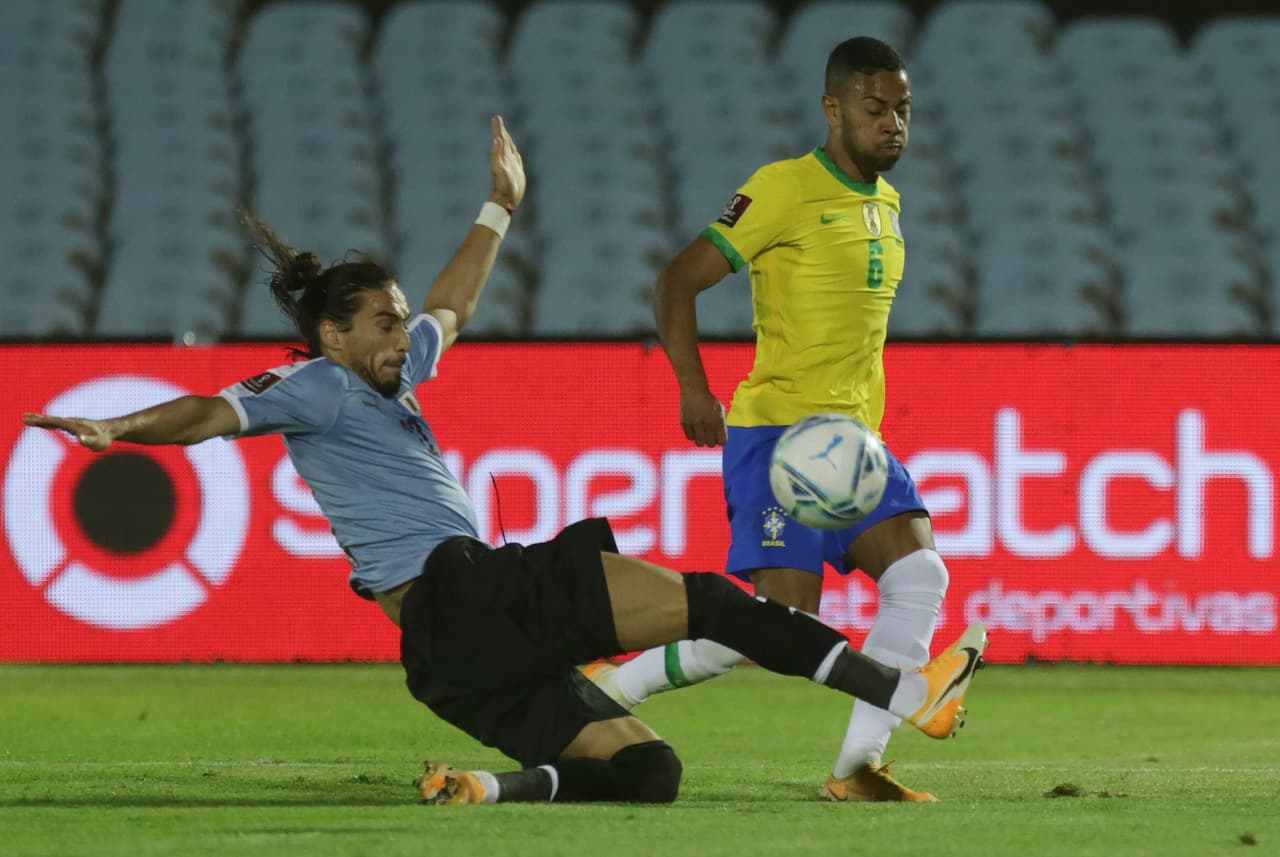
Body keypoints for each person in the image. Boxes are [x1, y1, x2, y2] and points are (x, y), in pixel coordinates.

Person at [22, 116, 986, 806]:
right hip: (464, 591)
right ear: (330, 334)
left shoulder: (396, 370)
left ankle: (485, 787)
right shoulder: (316, 385)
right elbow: (210, 412)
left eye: (400, 318)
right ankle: (907, 693)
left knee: (650, 775)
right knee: (718, 597)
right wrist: (124, 427)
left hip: (449, 659)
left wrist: (498, 206)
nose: (406, 334)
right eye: (384, 322)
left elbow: (454, 307)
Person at [586, 37, 952, 803]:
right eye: (875, 107)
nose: (893, 124)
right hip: (781, 437)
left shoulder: (886, 202)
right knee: (777, 625)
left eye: (903, 110)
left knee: (920, 573)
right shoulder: (783, 189)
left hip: (856, 445)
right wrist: (694, 388)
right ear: (834, 108)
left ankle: (858, 766)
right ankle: (617, 684)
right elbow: (678, 279)